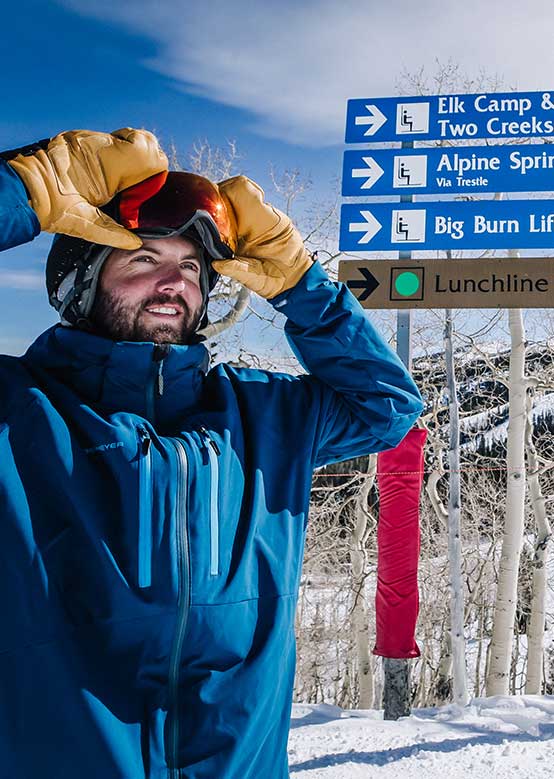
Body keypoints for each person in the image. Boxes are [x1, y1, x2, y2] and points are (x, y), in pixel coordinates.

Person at [0, 128, 423, 778]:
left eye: (193, 268)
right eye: (142, 259)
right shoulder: (19, 413)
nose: (173, 281)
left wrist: (302, 283)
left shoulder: (265, 413)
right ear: (82, 280)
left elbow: (387, 405)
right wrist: (25, 192)